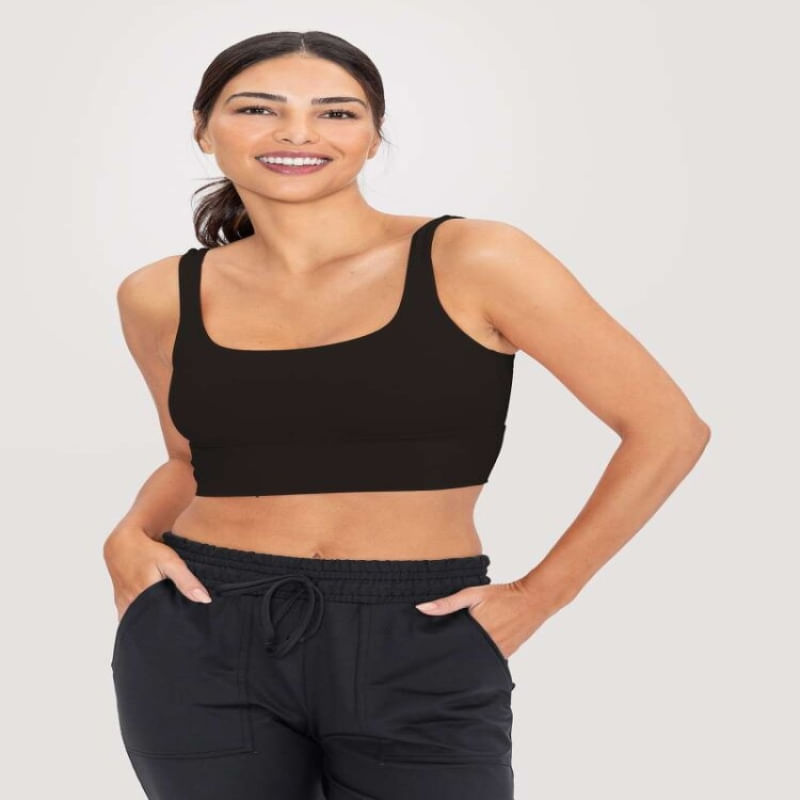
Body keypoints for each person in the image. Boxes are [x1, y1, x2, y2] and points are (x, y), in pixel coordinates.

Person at [104, 30, 711, 800]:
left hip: (420, 630)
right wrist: (128, 536)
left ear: (372, 136)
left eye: (336, 112)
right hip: (202, 632)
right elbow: (191, 460)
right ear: (202, 128)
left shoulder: (474, 258)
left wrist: (541, 596)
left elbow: (668, 429)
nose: (297, 133)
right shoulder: (159, 295)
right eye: (258, 109)